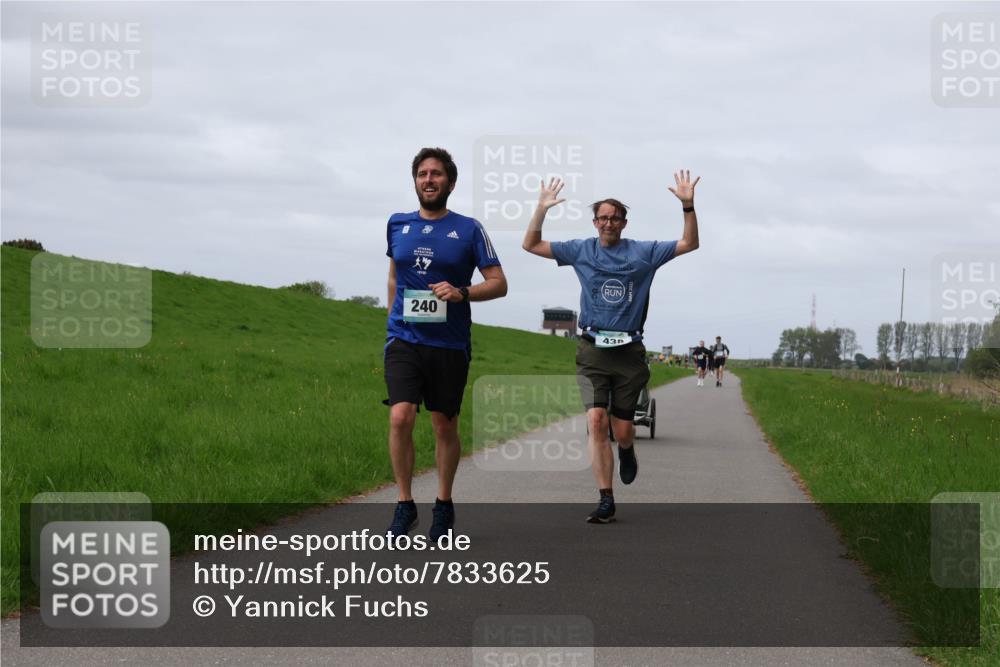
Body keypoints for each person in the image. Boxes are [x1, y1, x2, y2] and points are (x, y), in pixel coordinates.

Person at [522, 171, 701, 523]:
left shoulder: (644, 252)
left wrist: (688, 206)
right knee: (596, 420)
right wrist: (541, 210)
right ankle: (606, 498)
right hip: (592, 349)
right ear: (594, 222)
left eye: (614, 217)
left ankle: (628, 449)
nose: (608, 223)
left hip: (629, 352)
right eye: (602, 217)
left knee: (621, 428)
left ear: (623, 222)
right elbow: (530, 245)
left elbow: (689, 243)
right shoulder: (581, 250)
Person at [384, 147, 508, 542]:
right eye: (422, 174)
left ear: (450, 183)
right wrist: (391, 322)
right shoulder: (397, 224)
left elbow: (499, 283)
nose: (429, 180)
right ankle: (404, 505)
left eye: (436, 174)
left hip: (449, 344)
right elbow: (394, 277)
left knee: (444, 425)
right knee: (401, 416)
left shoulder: (469, 229)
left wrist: (462, 293)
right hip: (404, 338)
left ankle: (443, 503)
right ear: (415, 180)